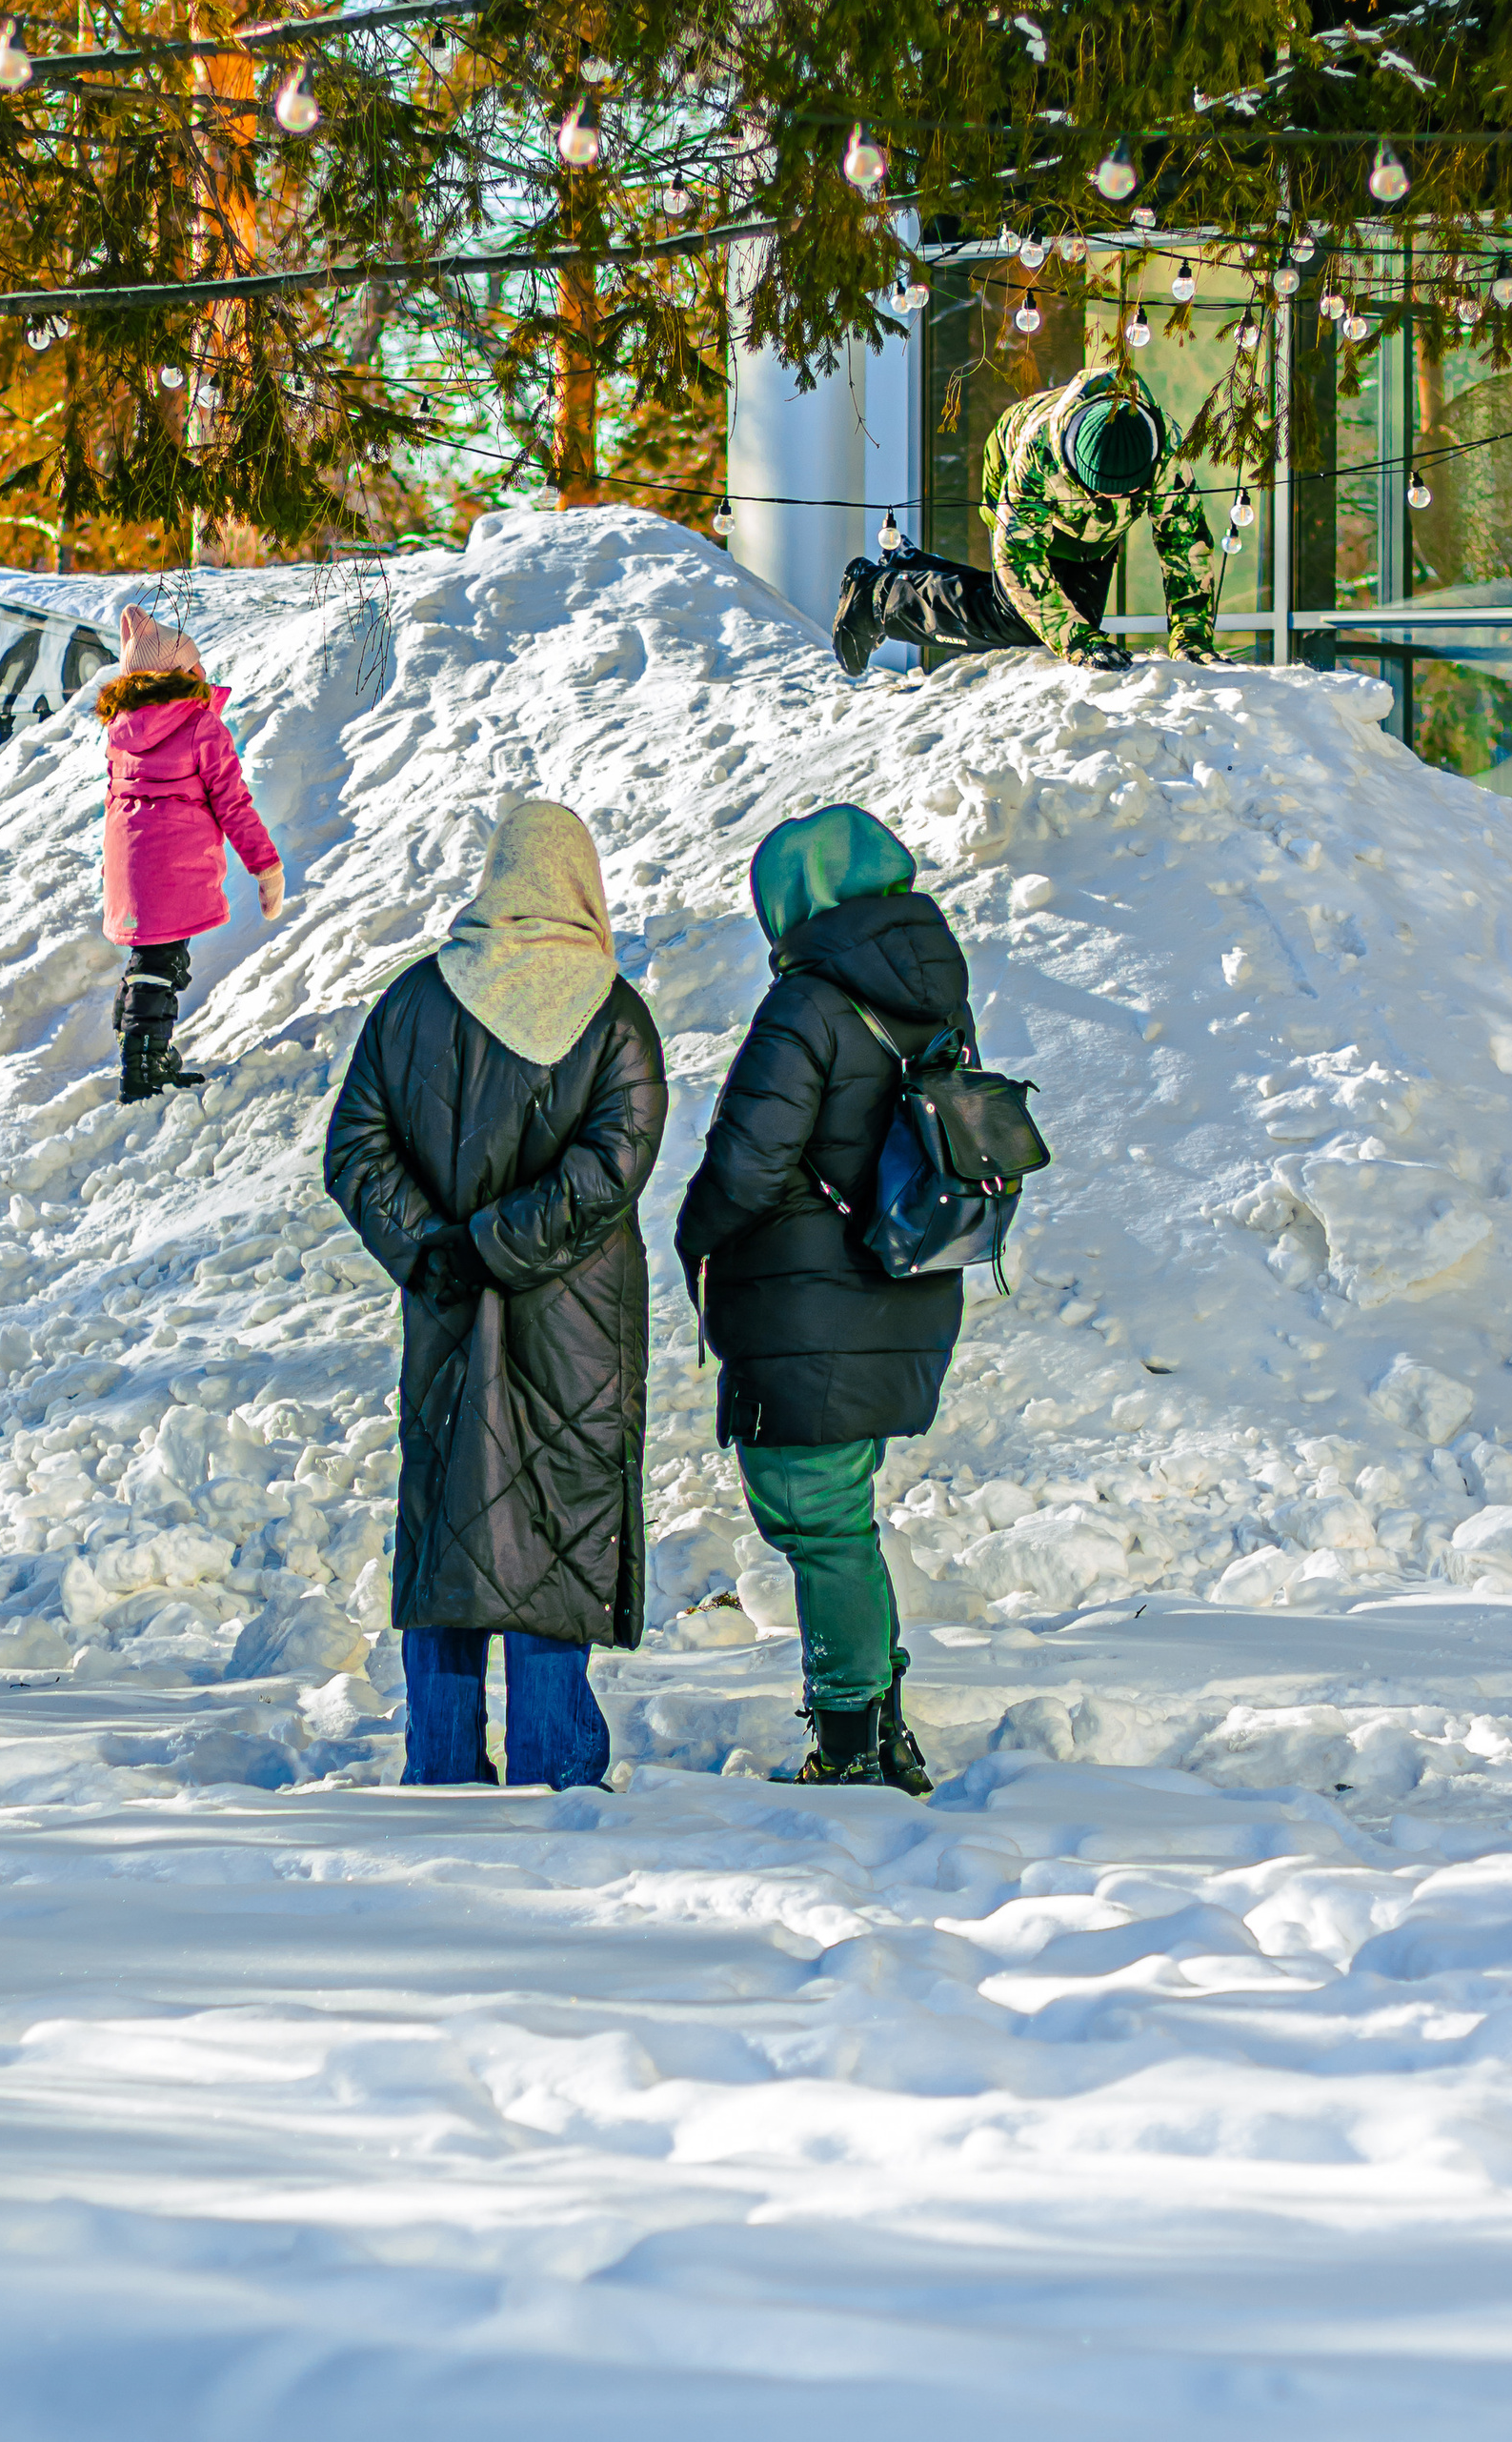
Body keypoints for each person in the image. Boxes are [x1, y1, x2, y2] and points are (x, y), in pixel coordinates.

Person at [323, 801, 668, 1790]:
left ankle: (439, 1761)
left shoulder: (413, 1001)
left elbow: (355, 1145)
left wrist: (436, 1248)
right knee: (556, 1525)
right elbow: (613, 1166)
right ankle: (557, 1766)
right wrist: (500, 1242)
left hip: (444, 1311)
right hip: (578, 1320)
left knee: (449, 1531)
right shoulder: (613, 1014)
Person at [674, 804, 974, 1796]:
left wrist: (694, 1232)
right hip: (902, 1285)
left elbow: (749, 1160)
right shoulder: (929, 990)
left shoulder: (808, 1002)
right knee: (841, 1516)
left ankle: (850, 1746)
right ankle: (880, 1730)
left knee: (816, 1522)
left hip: (809, 1303)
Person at [832, 358, 1219, 675]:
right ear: (1074, 466)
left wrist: (1192, 638)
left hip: (1096, 530)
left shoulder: (1166, 450)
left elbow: (1184, 545)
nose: (1111, 497)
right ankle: (877, 598)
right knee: (1020, 618)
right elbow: (1018, 560)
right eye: (1098, 488)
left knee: (1074, 617)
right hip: (1012, 469)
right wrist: (1076, 641)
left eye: (1126, 492)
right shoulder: (1036, 457)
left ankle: (910, 566)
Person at [99, 604, 285, 1100]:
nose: (206, 674)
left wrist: (109, 871)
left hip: (129, 861)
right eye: (198, 666)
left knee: (153, 956)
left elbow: (114, 801)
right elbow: (233, 804)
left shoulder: (121, 732)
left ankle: (141, 1037)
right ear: (182, 674)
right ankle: (140, 1062)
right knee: (161, 964)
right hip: (174, 863)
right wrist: (266, 867)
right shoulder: (202, 728)